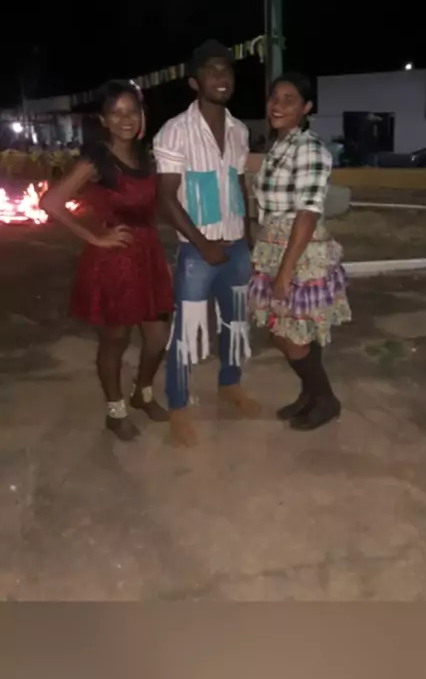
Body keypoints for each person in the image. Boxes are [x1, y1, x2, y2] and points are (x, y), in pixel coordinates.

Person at [41, 80, 174, 442]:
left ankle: (142, 392)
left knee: (157, 336)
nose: (125, 119)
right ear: (104, 120)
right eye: (116, 113)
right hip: (115, 260)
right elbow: (51, 202)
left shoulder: (144, 155)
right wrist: (95, 237)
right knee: (116, 339)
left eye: (132, 111)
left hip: (147, 254)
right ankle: (116, 411)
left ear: (142, 115)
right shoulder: (97, 158)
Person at [154, 39, 260, 447]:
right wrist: (203, 244)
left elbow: (238, 185)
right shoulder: (174, 131)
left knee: (235, 323)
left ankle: (230, 384)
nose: (221, 76)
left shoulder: (239, 131)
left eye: (226, 69)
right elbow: (166, 198)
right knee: (187, 330)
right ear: (194, 82)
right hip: (197, 253)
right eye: (211, 70)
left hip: (236, 248)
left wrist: (246, 238)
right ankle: (179, 405)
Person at [248, 72, 351, 431]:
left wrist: (286, 271)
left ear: (306, 108)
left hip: (298, 250)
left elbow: (308, 211)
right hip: (274, 245)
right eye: (274, 97)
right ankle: (310, 396)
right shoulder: (280, 145)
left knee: (287, 334)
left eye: (289, 99)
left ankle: (326, 398)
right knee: (298, 331)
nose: (277, 105)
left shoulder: (309, 148)